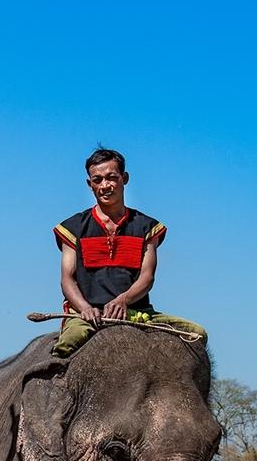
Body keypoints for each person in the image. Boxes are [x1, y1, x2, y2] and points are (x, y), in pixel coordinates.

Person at [50, 147, 206, 357]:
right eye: (97, 180)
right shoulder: (72, 227)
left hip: (136, 312)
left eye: (111, 178)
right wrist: (84, 308)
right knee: (67, 345)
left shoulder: (146, 227)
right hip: (86, 315)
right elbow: (67, 279)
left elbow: (147, 277)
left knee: (197, 334)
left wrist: (123, 300)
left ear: (124, 178)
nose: (105, 185)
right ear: (90, 185)